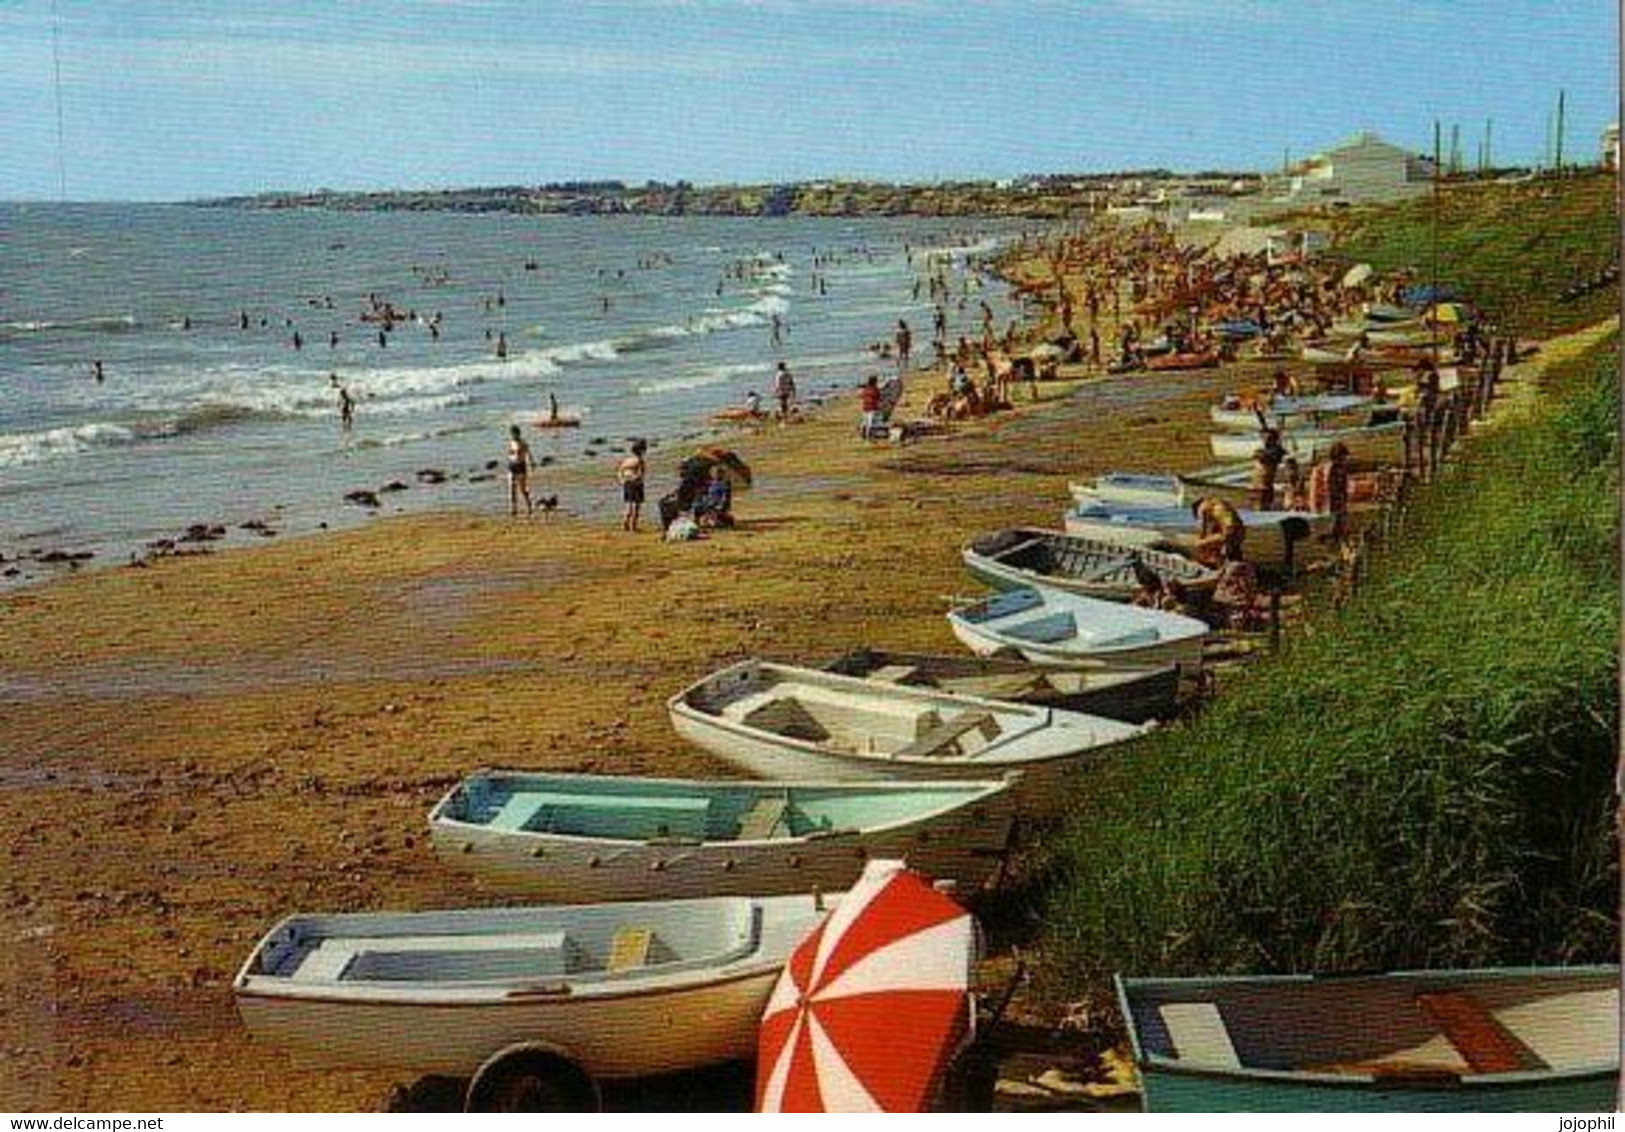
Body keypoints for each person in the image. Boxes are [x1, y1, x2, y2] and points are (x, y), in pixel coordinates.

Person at [1191, 496, 1245, 568]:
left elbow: (1229, 532)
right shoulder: (1207, 513)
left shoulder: (1220, 509)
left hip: (1231, 539)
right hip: (1225, 538)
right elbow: (1204, 530)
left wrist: (1204, 541)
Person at [1250, 429, 1286, 510]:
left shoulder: (1276, 451)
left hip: (1266, 482)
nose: (1265, 440)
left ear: (1274, 439)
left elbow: (1265, 458)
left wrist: (1260, 454)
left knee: (1264, 500)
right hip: (1259, 483)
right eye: (1264, 438)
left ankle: (1265, 506)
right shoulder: (1265, 450)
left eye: (1269, 438)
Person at [618, 439, 647, 532]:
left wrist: (622, 480)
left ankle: (625, 524)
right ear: (642, 451)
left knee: (628, 505)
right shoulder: (639, 460)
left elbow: (620, 471)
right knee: (636, 506)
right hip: (636, 484)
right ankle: (633, 526)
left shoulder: (627, 460)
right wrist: (639, 481)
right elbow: (641, 473)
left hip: (627, 482)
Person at [506, 424, 535, 517]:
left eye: (514, 433)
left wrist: (531, 463)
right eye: (512, 434)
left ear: (518, 433)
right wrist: (510, 461)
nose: (513, 435)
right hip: (512, 466)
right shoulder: (511, 443)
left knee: (522, 489)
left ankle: (529, 506)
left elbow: (529, 454)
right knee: (511, 489)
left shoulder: (523, 443)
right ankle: (513, 509)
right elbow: (510, 454)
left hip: (521, 466)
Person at [859, 374, 884, 439]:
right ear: (875, 382)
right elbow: (879, 397)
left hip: (865, 407)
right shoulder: (875, 389)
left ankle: (862, 432)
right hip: (872, 407)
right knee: (870, 422)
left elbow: (862, 396)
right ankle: (868, 435)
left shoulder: (866, 389)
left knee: (864, 421)